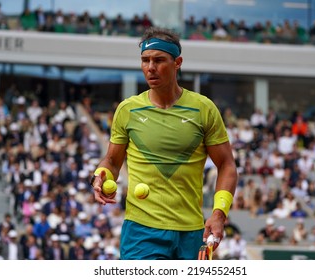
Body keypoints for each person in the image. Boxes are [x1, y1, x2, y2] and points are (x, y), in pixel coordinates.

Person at [91, 27, 238, 260]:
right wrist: (100, 175)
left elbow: (227, 164)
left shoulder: (204, 109)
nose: (150, 67)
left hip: (191, 233)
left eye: (159, 60)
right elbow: (111, 161)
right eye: (145, 60)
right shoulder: (127, 110)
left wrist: (219, 214)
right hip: (141, 232)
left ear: (177, 62)